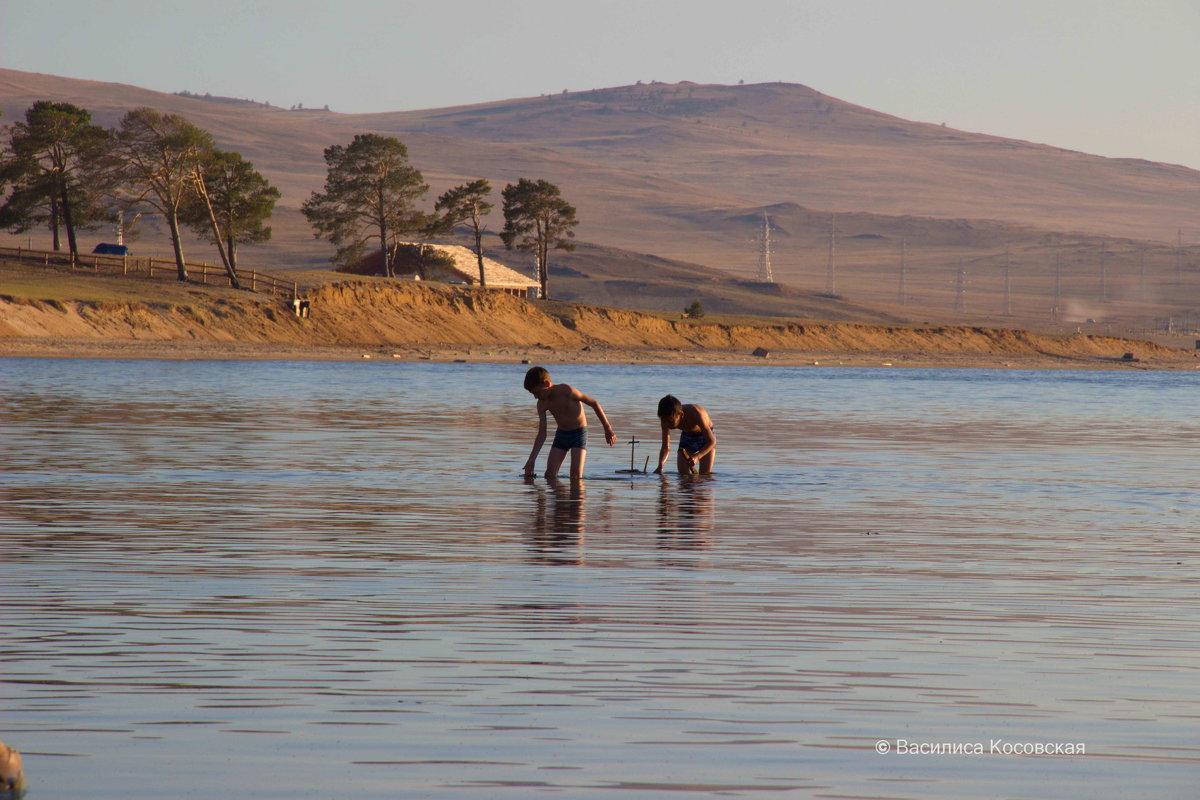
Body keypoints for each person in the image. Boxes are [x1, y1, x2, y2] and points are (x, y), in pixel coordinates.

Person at [523, 366, 617, 479]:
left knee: (576, 477)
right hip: (561, 435)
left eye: (537, 392)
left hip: (579, 434)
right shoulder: (542, 404)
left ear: (547, 384)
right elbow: (542, 434)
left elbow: (594, 403)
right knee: (549, 475)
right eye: (533, 394)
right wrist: (531, 459)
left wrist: (607, 429)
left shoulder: (567, 391)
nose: (535, 397)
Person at [655, 394, 716, 475]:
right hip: (687, 436)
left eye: (670, 421)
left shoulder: (696, 413)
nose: (667, 424)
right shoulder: (665, 419)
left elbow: (712, 441)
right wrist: (660, 466)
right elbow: (666, 447)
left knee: (705, 477)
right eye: (664, 421)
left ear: (681, 415)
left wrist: (697, 456)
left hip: (705, 438)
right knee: (683, 477)